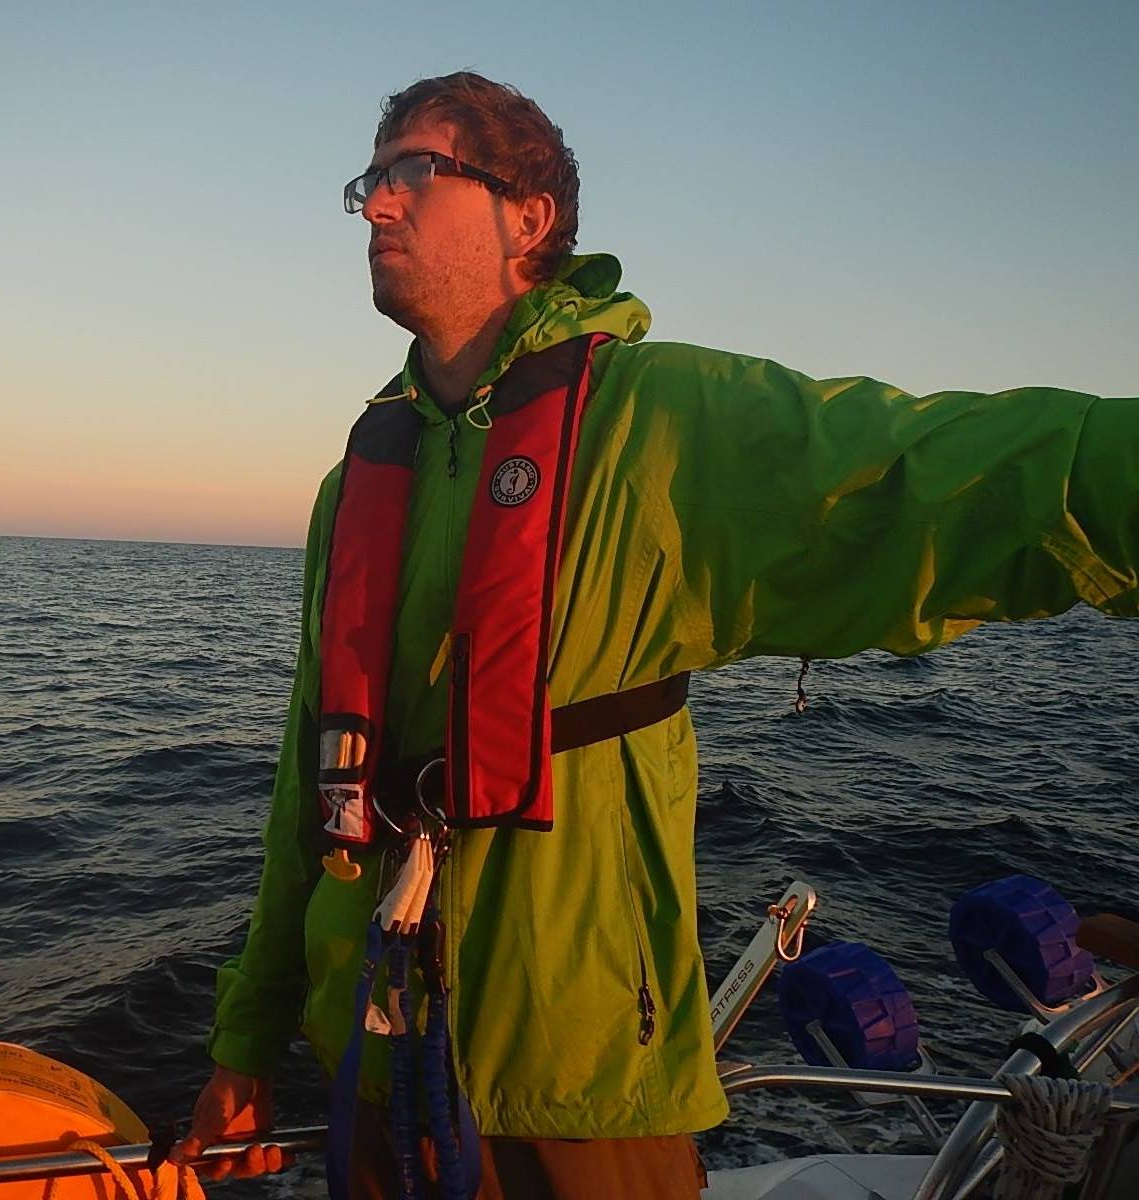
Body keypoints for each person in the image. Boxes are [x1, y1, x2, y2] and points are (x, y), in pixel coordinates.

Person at [171, 72, 1138, 1197]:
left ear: (528, 216)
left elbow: (941, 474)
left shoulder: (654, 422)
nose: (378, 206)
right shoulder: (355, 484)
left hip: (579, 1070)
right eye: (369, 183)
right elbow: (307, 783)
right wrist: (246, 1042)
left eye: (414, 174)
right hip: (374, 1067)